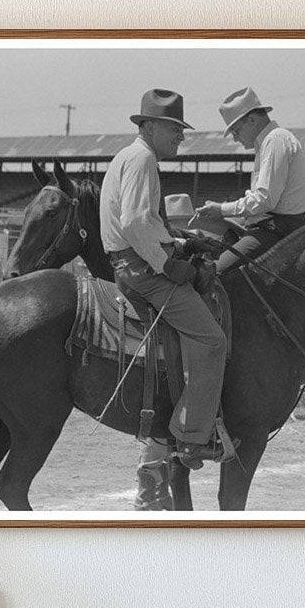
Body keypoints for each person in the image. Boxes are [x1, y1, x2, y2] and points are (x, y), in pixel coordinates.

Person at [99, 89, 228, 508]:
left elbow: (145, 223)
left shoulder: (128, 157)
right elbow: (136, 223)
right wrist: (169, 264)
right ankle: (191, 436)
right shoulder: (143, 161)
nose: (181, 137)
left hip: (129, 262)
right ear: (151, 126)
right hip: (143, 270)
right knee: (213, 340)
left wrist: (181, 242)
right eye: (175, 129)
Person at [194, 87, 305, 275]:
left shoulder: (275, 140)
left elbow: (265, 200)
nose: (235, 138)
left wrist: (221, 209)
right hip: (272, 224)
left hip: (276, 230)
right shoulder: (270, 142)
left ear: (251, 120)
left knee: (212, 273)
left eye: (236, 130)